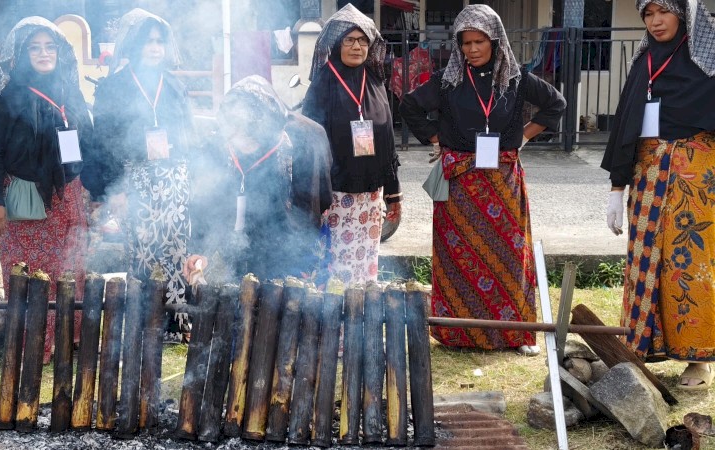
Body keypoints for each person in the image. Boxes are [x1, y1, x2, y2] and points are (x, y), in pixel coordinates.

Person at [400, 4, 566, 354]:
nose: (472, 49)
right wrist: (435, 139)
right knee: (457, 257)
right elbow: (411, 106)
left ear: (495, 40)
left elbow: (556, 104)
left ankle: (514, 333)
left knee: (508, 253)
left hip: (502, 181)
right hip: (460, 183)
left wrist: (524, 136)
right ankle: (458, 334)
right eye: (465, 43)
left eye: (479, 41)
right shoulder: (449, 80)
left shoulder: (517, 78)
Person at [601, 0, 715, 390]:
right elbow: (627, 122)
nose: (655, 21)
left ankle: (699, 360)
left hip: (697, 177)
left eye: (662, 12)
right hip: (648, 176)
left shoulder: (708, 58)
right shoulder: (644, 61)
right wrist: (617, 187)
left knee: (689, 263)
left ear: (683, 13)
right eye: (647, 14)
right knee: (646, 261)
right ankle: (644, 345)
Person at [81, 8, 200, 344]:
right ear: (134, 45)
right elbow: (103, 141)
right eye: (147, 41)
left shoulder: (175, 86)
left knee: (178, 248)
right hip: (134, 180)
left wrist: (193, 176)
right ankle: (144, 321)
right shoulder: (114, 87)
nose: (154, 47)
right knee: (142, 252)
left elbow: (188, 134)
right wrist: (112, 189)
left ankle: (179, 322)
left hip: (175, 177)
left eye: (159, 41)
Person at [0, 17, 92, 364]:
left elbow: (84, 143)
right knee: (30, 273)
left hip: (68, 197)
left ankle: (66, 340)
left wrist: (91, 189)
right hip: (25, 200)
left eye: (50, 46)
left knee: (71, 269)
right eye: (35, 47)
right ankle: (35, 347)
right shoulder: (2, 100)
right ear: (20, 54)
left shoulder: (69, 92)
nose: (44, 53)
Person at [193, 75, 333, 281]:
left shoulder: (306, 140)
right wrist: (200, 250)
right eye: (235, 134)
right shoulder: (219, 142)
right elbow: (210, 201)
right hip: (244, 242)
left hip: (294, 241)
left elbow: (316, 204)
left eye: (251, 136)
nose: (242, 142)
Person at [302, 4, 402, 285]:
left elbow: (387, 140)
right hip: (333, 196)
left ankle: (360, 319)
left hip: (370, 198)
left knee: (364, 265)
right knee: (333, 269)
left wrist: (393, 193)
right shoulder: (322, 84)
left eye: (363, 40)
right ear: (336, 43)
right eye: (350, 39)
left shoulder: (374, 81)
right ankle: (332, 326)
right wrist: (313, 197)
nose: (357, 46)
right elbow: (308, 143)